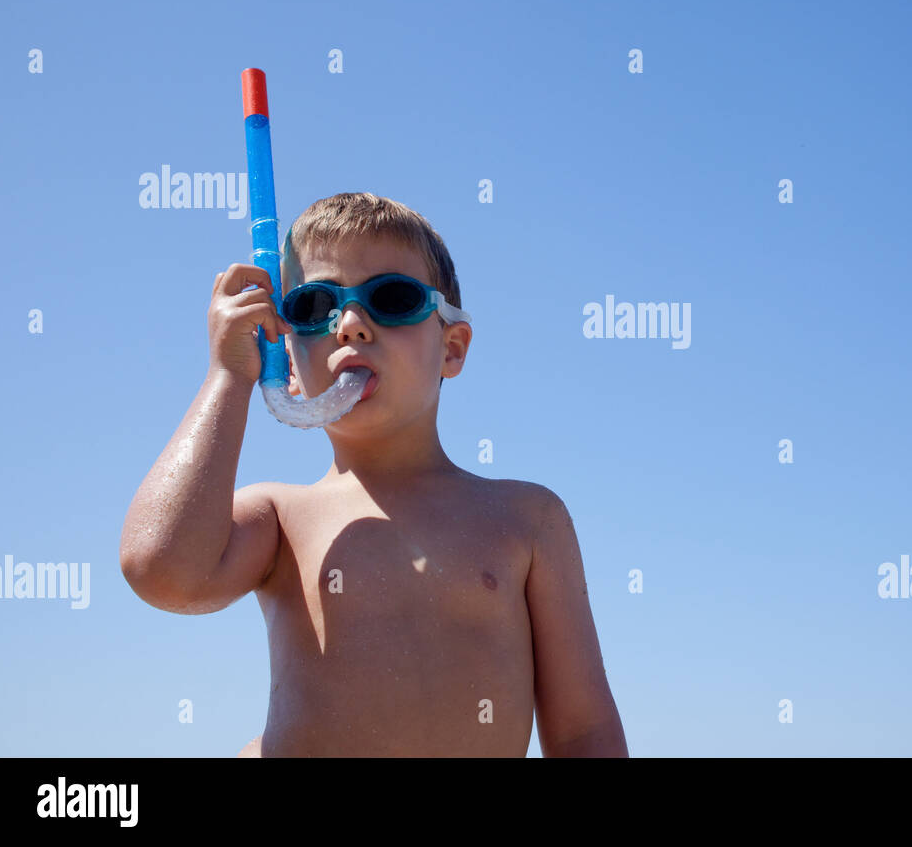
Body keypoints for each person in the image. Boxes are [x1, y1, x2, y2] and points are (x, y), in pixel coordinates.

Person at [120, 191, 627, 757]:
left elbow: (584, 730)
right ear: (285, 360)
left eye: (392, 298)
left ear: (452, 348)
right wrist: (228, 377)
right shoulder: (281, 518)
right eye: (313, 307)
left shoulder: (528, 518)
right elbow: (161, 569)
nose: (352, 325)